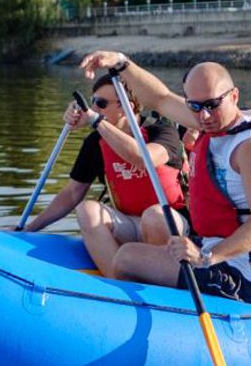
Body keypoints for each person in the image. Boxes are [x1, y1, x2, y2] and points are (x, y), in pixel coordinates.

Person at [77, 52, 251, 304]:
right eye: (194, 106)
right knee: (140, 252)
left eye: (211, 105)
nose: (203, 116)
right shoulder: (215, 123)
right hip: (221, 253)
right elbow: (161, 99)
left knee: (126, 259)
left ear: (234, 96)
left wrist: (206, 257)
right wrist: (121, 63)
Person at [19, 83, 185, 274]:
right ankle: (118, 281)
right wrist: (29, 228)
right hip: (128, 223)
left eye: (101, 103)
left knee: (154, 216)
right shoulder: (95, 142)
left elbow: (144, 158)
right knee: (86, 210)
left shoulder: (161, 131)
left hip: (171, 223)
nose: (93, 110)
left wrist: (97, 121)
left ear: (127, 107)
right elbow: (73, 193)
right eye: (92, 103)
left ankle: (160, 281)